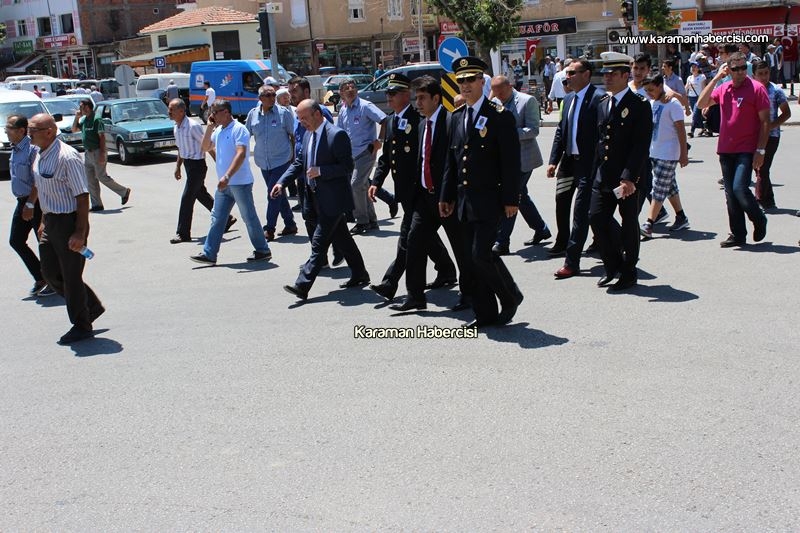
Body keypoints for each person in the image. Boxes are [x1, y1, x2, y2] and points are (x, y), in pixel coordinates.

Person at [439, 56, 523, 328]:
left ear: (481, 82)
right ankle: (484, 313)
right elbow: (452, 161)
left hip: (490, 199)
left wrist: (511, 198)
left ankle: (509, 296)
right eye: (460, 80)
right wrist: (446, 196)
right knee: (472, 260)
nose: (464, 85)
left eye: (470, 80)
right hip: (463, 201)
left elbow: (510, 162)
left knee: (480, 254)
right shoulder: (456, 118)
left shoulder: (499, 117)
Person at [367, 74, 456, 303]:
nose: (389, 98)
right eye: (387, 93)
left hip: (421, 190)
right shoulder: (391, 120)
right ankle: (446, 269)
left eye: (393, 93)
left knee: (410, 238)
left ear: (407, 95)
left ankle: (390, 283)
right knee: (421, 236)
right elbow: (387, 157)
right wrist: (376, 181)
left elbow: (428, 157)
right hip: (406, 191)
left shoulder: (419, 119)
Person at [390, 76, 473, 313]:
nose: (418, 103)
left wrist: (450, 196)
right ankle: (415, 296)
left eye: (423, 98)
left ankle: (469, 294)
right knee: (414, 244)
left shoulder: (451, 122)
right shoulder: (421, 124)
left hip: (448, 199)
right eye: (416, 98)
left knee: (461, 248)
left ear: (436, 98)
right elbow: (421, 160)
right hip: (424, 198)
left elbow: (455, 163)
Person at [272, 100, 370, 301]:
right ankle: (360, 273)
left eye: (305, 118)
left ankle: (302, 285)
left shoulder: (336, 135)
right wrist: (282, 183)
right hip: (314, 197)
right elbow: (299, 163)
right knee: (343, 238)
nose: (302, 123)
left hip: (333, 199)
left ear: (317, 114)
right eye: (299, 119)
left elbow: (347, 167)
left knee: (319, 242)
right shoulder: (309, 134)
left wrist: (321, 171)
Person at [28, 113, 105, 345]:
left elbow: (82, 197)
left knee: (71, 277)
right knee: (50, 273)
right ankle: (90, 306)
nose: (29, 133)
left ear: (49, 131)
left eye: (33, 130)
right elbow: (43, 188)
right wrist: (42, 220)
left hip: (70, 222)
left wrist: (80, 233)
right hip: (51, 222)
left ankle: (82, 325)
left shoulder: (67, 157)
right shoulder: (40, 154)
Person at [589, 52, 652, 291]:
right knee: (596, 219)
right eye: (604, 74)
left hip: (628, 179)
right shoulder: (603, 103)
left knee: (628, 224)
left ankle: (629, 271)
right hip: (604, 176)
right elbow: (600, 142)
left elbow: (640, 146)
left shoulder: (639, 105)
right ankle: (612, 265)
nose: (607, 78)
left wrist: (629, 177)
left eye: (612, 74)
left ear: (626, 75)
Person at [697, 51, 770, 248]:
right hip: (725, 149)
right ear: (728, 70)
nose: (739, 73)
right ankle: (738, 234)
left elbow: (765, 122)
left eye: (742, 68)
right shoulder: (724, 88)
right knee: (730, 194)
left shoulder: (756, 89)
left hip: (746, 148)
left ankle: (759, 218)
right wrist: (716, 78)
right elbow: (701, 103)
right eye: (735, 69)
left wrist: (761, 151)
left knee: (739, 188)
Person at [190, 100, 272, 265]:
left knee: (248, 217)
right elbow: (205, 147)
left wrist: (227, 176)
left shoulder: (238, 129)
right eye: (211, 112)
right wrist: (209, 127)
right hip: (225, 185)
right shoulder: (218, 130)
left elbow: (241, 154)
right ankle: (209, 253)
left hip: (239, 182)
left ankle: (262, 250)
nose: (211, 115)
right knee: (217, 218)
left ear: (226, 112)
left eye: (215, 112)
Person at [547, 59, 605, 279]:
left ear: (586, 74)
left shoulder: (599, 98)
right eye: (566, 73)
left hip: (589, 165)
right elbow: (561, 132)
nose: (567, 77)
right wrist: (554, 160)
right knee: (563, 202)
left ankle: (572, 262)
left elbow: (604, 136)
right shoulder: (568, 99)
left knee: (581, 213)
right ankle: (617, 242)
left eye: (571, 72)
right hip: (569, 163)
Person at [490, 75, 550, 256]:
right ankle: (541, 228)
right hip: (503, 160)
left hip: (523, 159)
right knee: (520, 196)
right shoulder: (493, 102)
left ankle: (502, 241)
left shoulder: (527, 101)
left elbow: (533, 129)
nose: (498, 96)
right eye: (495, 92)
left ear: (509, 86)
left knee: (511, 196)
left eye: (501, 92)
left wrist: (507, 134)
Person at [168, 98, 236, 244]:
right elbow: (181, 149)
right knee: (200, 194)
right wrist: (178, 166)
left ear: (181, 111)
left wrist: (220, 164)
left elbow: (208, 145)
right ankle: (227, 219)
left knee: (187, 198)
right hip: (188, 165)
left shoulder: (193, 126)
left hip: (198, 166)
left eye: (171, 109)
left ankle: (183, 233)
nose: (169, 112)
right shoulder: (176, 127)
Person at [337, 77, 394, 234]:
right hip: (351, 155)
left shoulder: (365, 106)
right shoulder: (343, 110)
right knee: (362, 186)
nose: (350, 90)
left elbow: (385, 120)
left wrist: (380, 140)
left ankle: (362, 221)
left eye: (353, 86)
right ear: (341, 93)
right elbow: (340, 132)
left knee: (356, 185)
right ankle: (372, 221)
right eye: (346, 88)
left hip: (366, 152)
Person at [6, 115, 54, 297]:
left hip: (35, 202)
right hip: (23, 202)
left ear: (21, 130)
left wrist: (30, 204)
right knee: (16, 240)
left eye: (9, 128)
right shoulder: (16, 149)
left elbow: (37, 180)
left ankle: (54, 280)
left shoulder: (32, 149)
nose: (5, 131)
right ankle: (40, 276)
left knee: (44, 242)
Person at [640, 74, 690, 239]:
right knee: (669, 186)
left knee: (659, 188)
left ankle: (649, 223)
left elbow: (681, 130)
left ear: (660, 86)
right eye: (646, 90)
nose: (649, 93)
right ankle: (681, 216)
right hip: (654, 151)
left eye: (652, 90)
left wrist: (684, 153)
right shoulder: (653, 103)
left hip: (668, 153)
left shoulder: (672, 104)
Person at [245, 85, 297, 241]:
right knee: (278, 194)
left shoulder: (283, 113)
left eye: (273, 95)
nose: (271, 98)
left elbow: (293, 135)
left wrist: (294, 156)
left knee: (272, 194)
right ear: (260, 98)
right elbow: (245, 135)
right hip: (263, 161)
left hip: (281, 160)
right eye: (267, 95)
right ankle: (290, 224)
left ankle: (269, 228)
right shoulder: (253, 114)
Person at [72, 98, 131, 212]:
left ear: (88, 107)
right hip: (88, 153)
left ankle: (123, 191)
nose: (80, 109)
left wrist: (102, 153)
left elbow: (102, 137)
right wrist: (77, 117)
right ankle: (97, 204)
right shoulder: (84, 120)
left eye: (81, 107)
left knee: (101, 176)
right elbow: (74, 129)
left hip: (97, 151)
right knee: (90, 180)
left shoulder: (97, 119)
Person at [287, 76, 334, 214]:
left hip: (319, 173)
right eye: (289, 91)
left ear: (306, 92)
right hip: (303, 174)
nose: (291, 95)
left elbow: (330, 138)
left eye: (294, 91)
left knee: (324, 214)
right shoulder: (297, 114)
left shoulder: (320, 111)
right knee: (308, 215)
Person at [752, 60, 791, 210]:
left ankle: (760, 199)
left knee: (763, 168)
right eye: (760, 74)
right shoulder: (752, 90)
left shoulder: (776, 90)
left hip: (772, 135)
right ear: (754, 75)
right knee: (758, 167)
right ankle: (769, 200)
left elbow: (786, 113)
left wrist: (770, 127)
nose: (764, 77)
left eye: (766, 73)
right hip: (754, 135)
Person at [685, 62, 707, 138]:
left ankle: (692, 131)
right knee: (697, 115)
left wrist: (704, 97)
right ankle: (703, 128)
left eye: (695, 67)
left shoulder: (702, 77)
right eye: (692, 67)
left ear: (698, 68)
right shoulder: (689, 78)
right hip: (691, 97)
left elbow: (704, 88)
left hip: (699, 97)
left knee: (695, 114)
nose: (693, 68)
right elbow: (686, 88)